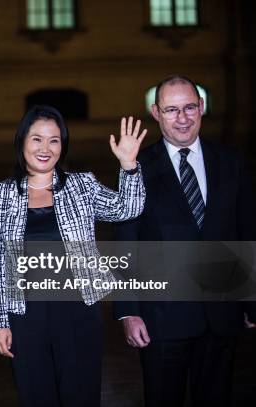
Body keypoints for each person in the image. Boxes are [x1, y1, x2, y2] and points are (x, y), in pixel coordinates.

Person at [0, 104, 146, 407]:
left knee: (81, 396)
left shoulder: (81, 185)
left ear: (63, 145)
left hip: (78, 313)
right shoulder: (0, 194)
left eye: (54, 140)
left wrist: (129, 166)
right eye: (37, 139)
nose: (45, 148)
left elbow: (128, 208)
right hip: (25, 317)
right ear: (22, 141)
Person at [113, 75, 256, 407]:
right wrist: (128, 312)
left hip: (221, 315)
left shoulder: (230, 162)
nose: (183, 118)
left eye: (190, 107)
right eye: (172, 109)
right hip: (162, 318)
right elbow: (125, 243)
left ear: (202, 108)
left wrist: (249, 300)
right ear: (156, 112)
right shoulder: (136, 167)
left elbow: (245, 232)